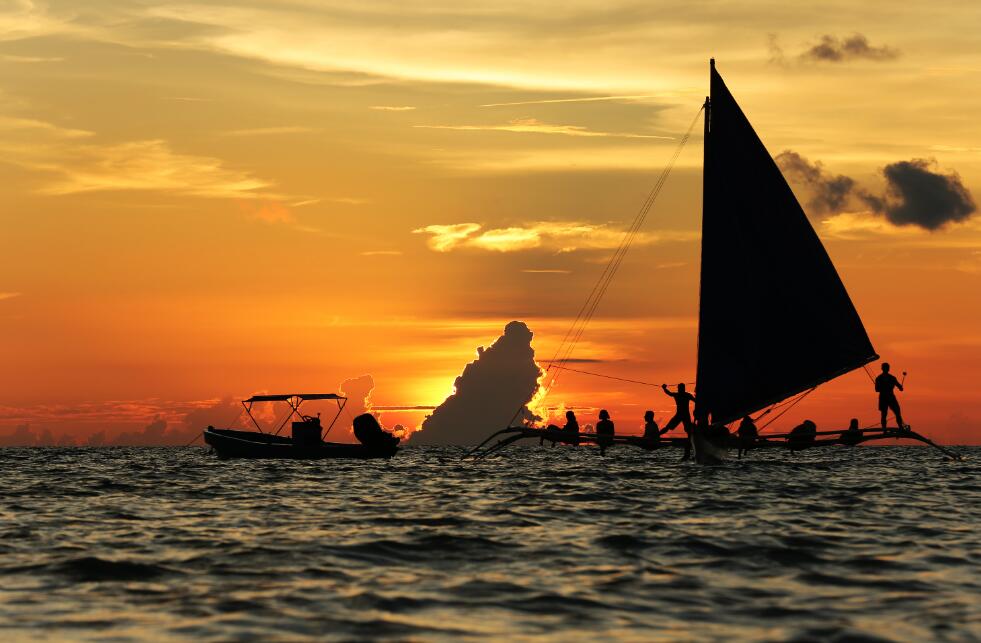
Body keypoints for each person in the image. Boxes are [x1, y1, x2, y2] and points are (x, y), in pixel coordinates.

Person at [662, 383, 696, 460]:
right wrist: (664, 388)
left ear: (683, 388)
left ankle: (690, 445)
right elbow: (669, 393)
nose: (680, 390)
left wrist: (664, 388)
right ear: (679, 389)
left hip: (684, 415)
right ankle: (656, 435)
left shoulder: (686, 395)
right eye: (680, 388)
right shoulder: (679, 395)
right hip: (680, 415)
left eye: (681, 388)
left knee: (689, 432)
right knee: (668, 427)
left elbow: (695, 401)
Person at [874, 362, 906, 431]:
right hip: (884, 398)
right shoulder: (879, 378)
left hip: (890, 398)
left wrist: (900, 387)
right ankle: (884, 429)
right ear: (883, 369)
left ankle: (900, 427)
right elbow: (876, 389)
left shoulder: (890, 378)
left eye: (887, 367)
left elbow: (899, 387)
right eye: (885, 367)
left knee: (897, 412)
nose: (886, 369)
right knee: (884, 414)